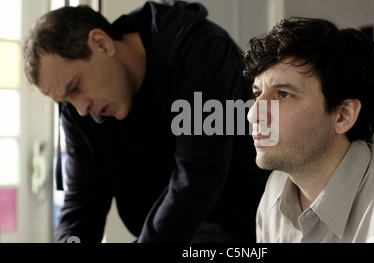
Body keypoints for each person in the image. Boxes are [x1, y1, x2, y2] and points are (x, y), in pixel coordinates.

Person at [23, 1, 270, 243]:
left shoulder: (198, 49)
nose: (80, 108)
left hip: (240, 225)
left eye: (75, 87)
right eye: (65, 101)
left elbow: (198, 175)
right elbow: (82, 204)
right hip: (162, 229)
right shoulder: (78, 109)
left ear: (101, 43)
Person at [243, 17, 374, 242]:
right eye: (257, 94)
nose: (253, 114)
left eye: (283, 94)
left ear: (343, 115)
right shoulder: (277, 188)